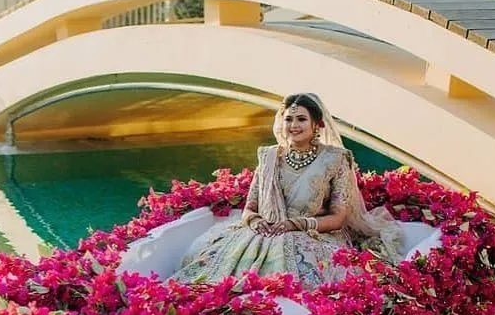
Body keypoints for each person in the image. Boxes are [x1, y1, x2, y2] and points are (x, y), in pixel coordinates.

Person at [171, 93, 404, 289]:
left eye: (301, 119)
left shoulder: (335, 159)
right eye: (289, 119)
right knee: (210, 270)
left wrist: (296, 224)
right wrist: (254, 221)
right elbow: (250, 207)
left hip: (313, 233)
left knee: (285, 268)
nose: (293, 126)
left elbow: (339, 218)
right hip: (265, 230)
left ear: (317, 124)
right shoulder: (269, 156)